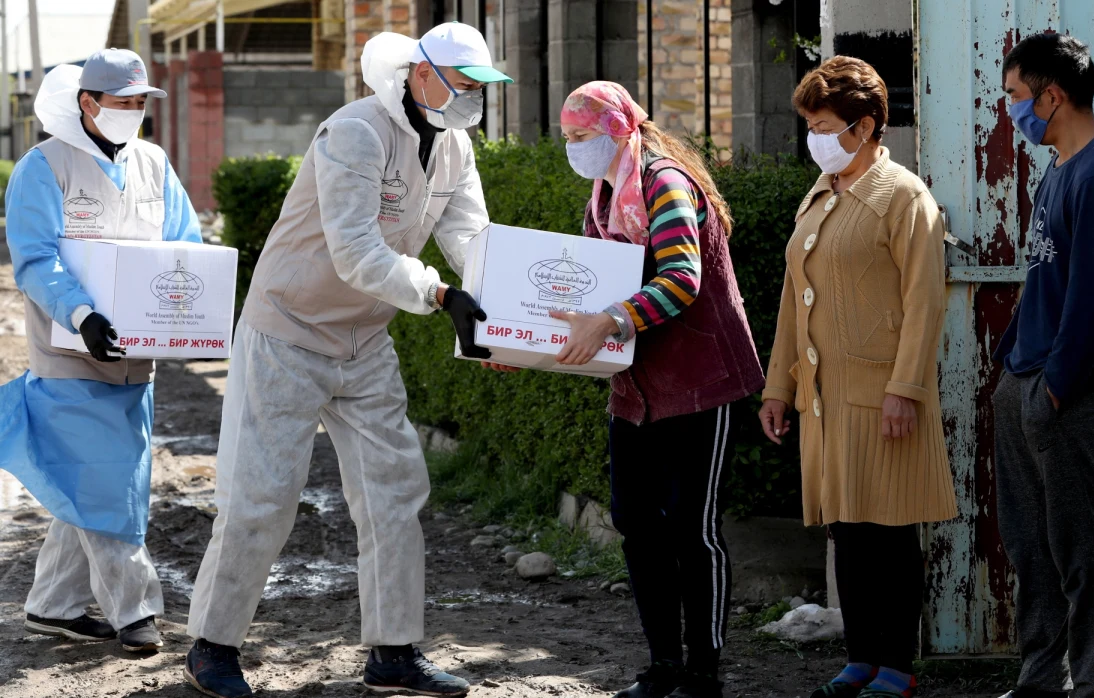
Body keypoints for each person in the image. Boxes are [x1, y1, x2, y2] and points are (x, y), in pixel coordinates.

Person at [182, 23, 509, 698]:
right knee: (263, 499)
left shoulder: (454, 149)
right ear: (420, 73)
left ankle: (394, 654)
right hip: (287, 332)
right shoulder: (354, 132)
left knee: (393, 498)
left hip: (363, 344)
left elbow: (473, 238)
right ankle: (211, 648)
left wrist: (505, 318)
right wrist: (441, 295)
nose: (474, 95)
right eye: (464, 81)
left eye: (481, 85)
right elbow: (355, 252)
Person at [492, 81, 764, 698]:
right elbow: (578, 295)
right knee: (637, 523)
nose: (574, 149)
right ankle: (664, 664)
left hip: (699, 382)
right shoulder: (605, 193)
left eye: (582, 136)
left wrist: (612, 321)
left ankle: (704, 672)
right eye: (568, 138)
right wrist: (518, 345)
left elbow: (683, 281)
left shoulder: (663, 183)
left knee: (693, 530)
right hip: (636, 389)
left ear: (616, 129)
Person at [757, 56, 957, 698]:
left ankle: (896, 666)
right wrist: (778, 388)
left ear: (865, 125)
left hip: (882, 395)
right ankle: (861, 657)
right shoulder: (818, 195)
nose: (813, 137)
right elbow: (794, 298)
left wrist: (907, 390)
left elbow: (926, 301)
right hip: (825, 398)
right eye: (810, 124)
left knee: (889, 532)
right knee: (848, 527)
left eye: (824, 125)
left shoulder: (904, 197)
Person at [0, 50, 201, 653]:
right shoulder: (43, 167)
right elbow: (37, 260)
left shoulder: (153, 162)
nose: (135, 112)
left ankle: (54, 606)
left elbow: (184, 245)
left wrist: (192, 312)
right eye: (124, 102)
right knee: (110, 483)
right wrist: (82, 314)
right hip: (70, 352)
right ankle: (134, 611)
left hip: (135, 358)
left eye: (142, 102)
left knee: (89, 478)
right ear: (88, 102)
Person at [991, 33, 1094, 698]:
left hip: (1069, 397)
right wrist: (1012, 374)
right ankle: (1041, 682)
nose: (1012, 111)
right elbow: (1045, 281)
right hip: (1027, 384)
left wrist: (1051, 393)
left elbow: (1092, 308)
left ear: (1053, 95)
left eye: (1018, 97)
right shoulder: (1059, 168)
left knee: (1085, 557)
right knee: (1034, 553)